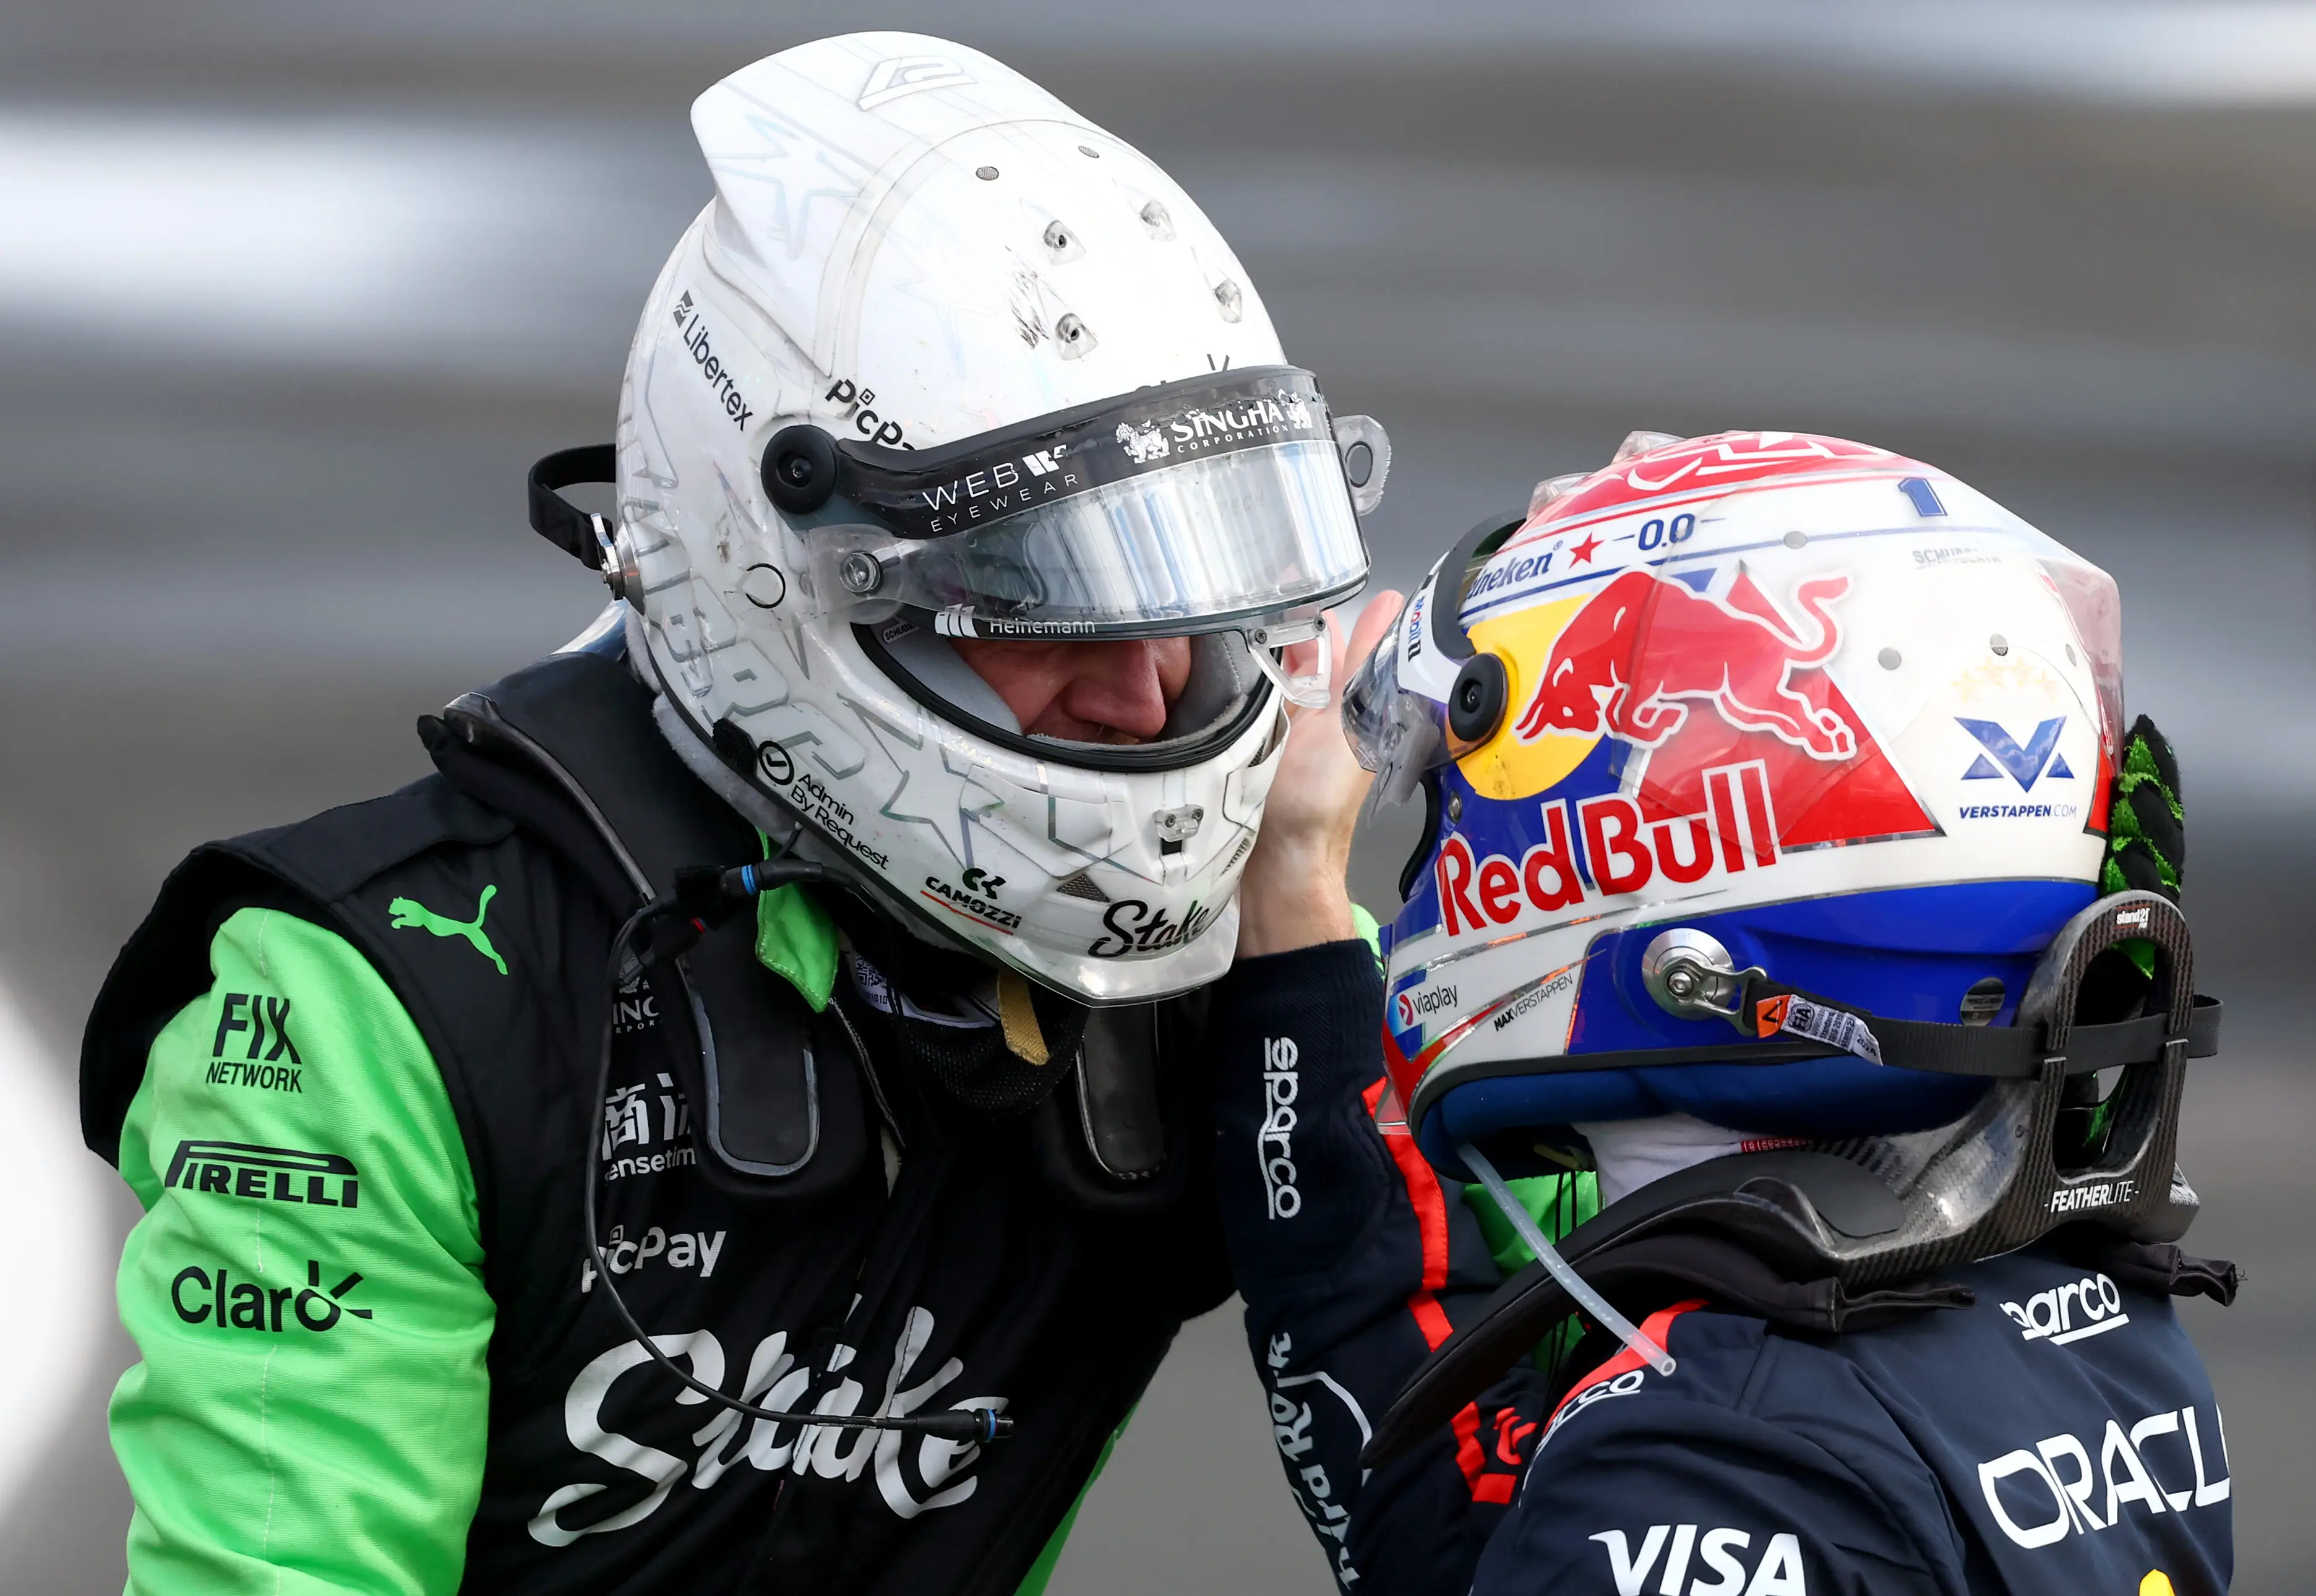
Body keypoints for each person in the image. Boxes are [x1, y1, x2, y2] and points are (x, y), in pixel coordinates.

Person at [79, 32, 1393, 1595]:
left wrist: (1323, 923)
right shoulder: (371, 1010)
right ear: (782, 582)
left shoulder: (1244, 955)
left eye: (1190, 604)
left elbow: (1506, 1453)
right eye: (1047, 610)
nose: (1146, 694)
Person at [1207, 429, 2237, 1594]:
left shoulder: (1712, 1460)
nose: (1442, 853)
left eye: (1453, 793)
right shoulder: (2094, 1314)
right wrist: (1296, 919)